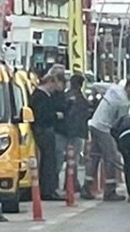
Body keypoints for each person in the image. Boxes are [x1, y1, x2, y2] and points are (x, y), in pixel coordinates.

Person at [90, 74, 130, 200]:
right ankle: (110, 190)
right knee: (111, 157)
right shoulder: (123, 102)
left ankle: (87, 187)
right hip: (104, 128)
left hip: (94, 123)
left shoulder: (114, 88)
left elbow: (95, 85)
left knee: (95, 156)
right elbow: (120, 123)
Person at [30, 67, 63, 201]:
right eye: (53, 85)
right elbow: (41, 115)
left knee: (50, 160)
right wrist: (55, 115)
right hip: (43, 130)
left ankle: (50, 189)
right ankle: (47, 190)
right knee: (48, 160)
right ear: (49, 83)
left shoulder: (43, 95)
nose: (54, 89)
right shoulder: (40, 96)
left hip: (45, 129)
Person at [60, 71, 95, 198]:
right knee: (73, 159)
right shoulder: (79, 98)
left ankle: (70, 183)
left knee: (70, 159)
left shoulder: (67, 96)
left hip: (67, 131)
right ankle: (72, 183)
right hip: (76, 131)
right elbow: (82, 115)